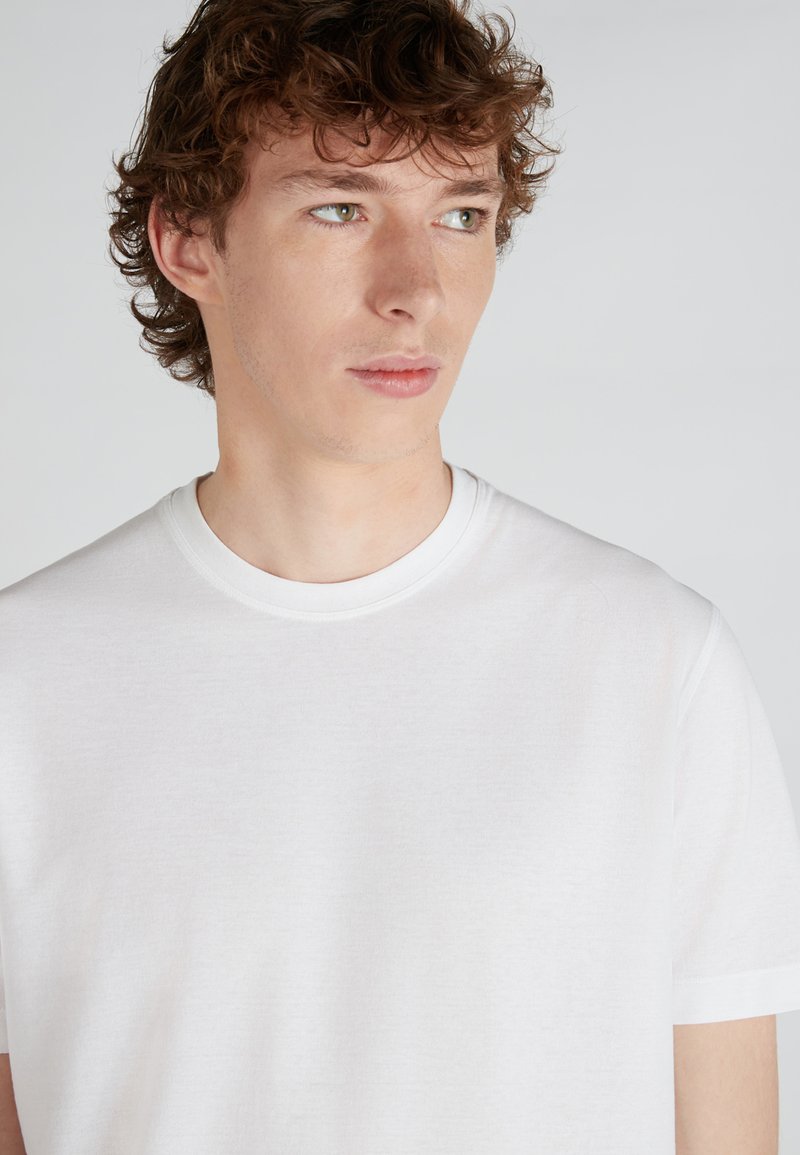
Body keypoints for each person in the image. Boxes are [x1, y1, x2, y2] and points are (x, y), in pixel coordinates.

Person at [1, 1, 798, 1152]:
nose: (414, 287)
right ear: (189, 243)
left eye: (460, 215)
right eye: (340, 208)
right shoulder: (24, 684)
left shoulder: (655, 664)